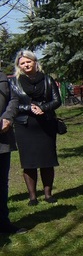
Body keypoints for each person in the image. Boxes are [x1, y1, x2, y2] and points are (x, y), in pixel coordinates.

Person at [10, 51, 62, 205]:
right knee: (29, 162)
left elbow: (57, 100)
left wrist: (43, 108)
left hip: (45, 124)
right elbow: (13, 104)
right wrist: (29, 107)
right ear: (19, 66)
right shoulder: (15, 82)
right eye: (23, 63)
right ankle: (32, 197)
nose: (26, 65)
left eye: (29, 62)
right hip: (25, 125)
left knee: (47, 161)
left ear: (35, 62)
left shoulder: (47, 79)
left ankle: (48, 194)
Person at [0, 70, 23, 234]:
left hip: (2, 138)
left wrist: (8, 117)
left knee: (2, 183)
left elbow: (14, 99)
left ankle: (3, 223)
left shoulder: (3, 78)